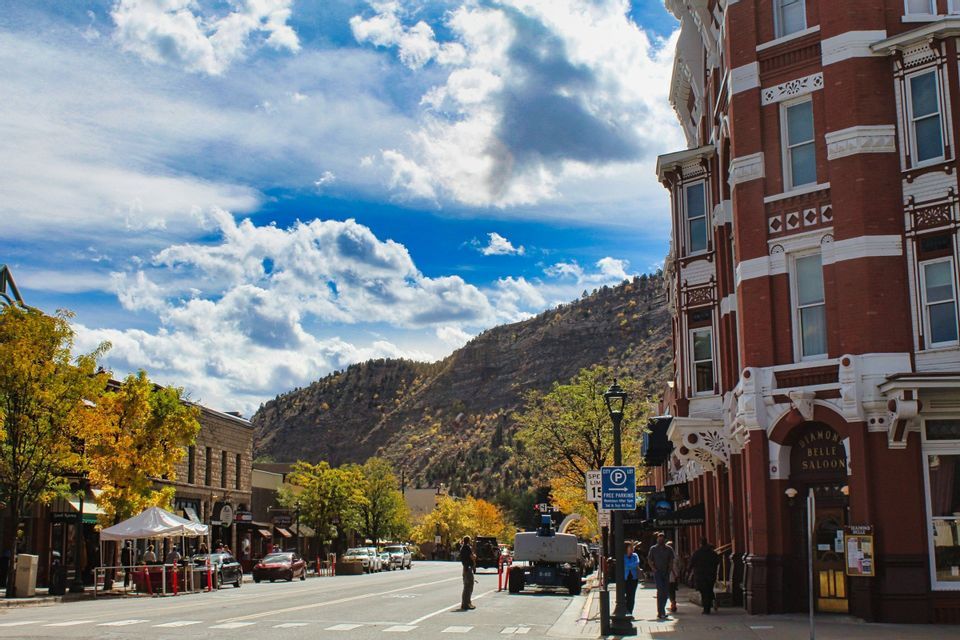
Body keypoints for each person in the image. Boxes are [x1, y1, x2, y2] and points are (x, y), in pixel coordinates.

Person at [646, 532, 675, 620]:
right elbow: (649, 560)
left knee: (665, 592)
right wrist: (654, 569)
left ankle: (662, 611)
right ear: (657, 539)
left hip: (666, 572)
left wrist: (669, 570)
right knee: (660, 590)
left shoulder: (669, 549)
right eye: (659, 538)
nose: (660, 540)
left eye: (662, 538)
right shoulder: (653, 549)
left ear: (664, 539)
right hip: (657, 572)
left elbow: (671, 560)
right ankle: (661, 611)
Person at [690, 538, 720, 615]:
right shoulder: (712, 553)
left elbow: (691, 563)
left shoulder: (697, 553)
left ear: (700, 543)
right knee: (709, 589)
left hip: (700, 576)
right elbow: (717, 561)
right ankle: (709, 604)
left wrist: (689, 571)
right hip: (711, 575)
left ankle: (706, 608)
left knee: (703, 592)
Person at [459, 536, 476, 610]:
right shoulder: (467, 548)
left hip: (465, 568)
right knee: (468, 586)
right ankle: (466, 603)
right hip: (468, 568)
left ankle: (466, 602)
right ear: (468, 541)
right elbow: (472, 557)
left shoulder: (462, 548)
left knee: (466, 585)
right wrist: (474, 557)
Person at [623, 541, 640, 616]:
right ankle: (625, 610)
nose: (632, 549)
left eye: (632, 547)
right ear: (626, 548)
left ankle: (630, 612)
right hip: (625, 579)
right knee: (624, 596)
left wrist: (628, 565)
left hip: (633, 579)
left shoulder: (635, 555)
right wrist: (631, 565)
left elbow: (637, 563)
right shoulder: (623, 556)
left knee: (631, 596)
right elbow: (625, 565)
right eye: (630, 547)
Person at [666, 542, 684, 613]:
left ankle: (673, 602)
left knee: (669, 591)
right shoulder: (676, 556)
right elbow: (680, 565)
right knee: (672, 590)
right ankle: (673, 602)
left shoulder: (665, 556)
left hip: (668, 576)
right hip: (675, 576)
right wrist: (678, 572)